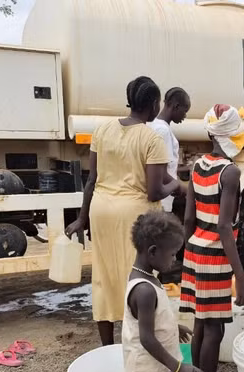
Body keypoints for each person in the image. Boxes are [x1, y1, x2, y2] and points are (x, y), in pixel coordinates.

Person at [65, 76, 183, 346]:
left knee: (104, 277)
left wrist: (82, 218)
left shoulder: (102, 130)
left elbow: (92, 179)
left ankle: (107, 348)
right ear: (153, 104)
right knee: (140, 277)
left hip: (101, 211)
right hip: (135, 217)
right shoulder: (152, 138)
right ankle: (141, 344)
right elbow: (155, 191)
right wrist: (176, 185)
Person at [180, 104, 244, 372]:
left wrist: (187, 254)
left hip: (195, 249)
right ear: (233, 137)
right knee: (214, 329)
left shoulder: (197, 165)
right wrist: (240, 277)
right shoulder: (230, 172)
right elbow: (224, 226)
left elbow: (188, 218)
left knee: (201, 322)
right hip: (215, 256)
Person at [123, 211, 204, 372]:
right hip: (149, 369)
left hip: (164, 361)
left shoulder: (149, 277)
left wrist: (174, 327)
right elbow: (147, 339)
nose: (175, 259)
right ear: (153, 252)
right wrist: (179, 367)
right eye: (172, 253)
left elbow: (152, 318)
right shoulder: (144, 290)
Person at [147, 87, 191, 213]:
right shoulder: (163, 131)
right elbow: (161, 172)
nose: (185, 116)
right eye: (185, 111)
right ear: (176, 106)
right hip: (161, 202)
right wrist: (182, 189)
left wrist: (184, 169)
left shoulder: (153, 125)